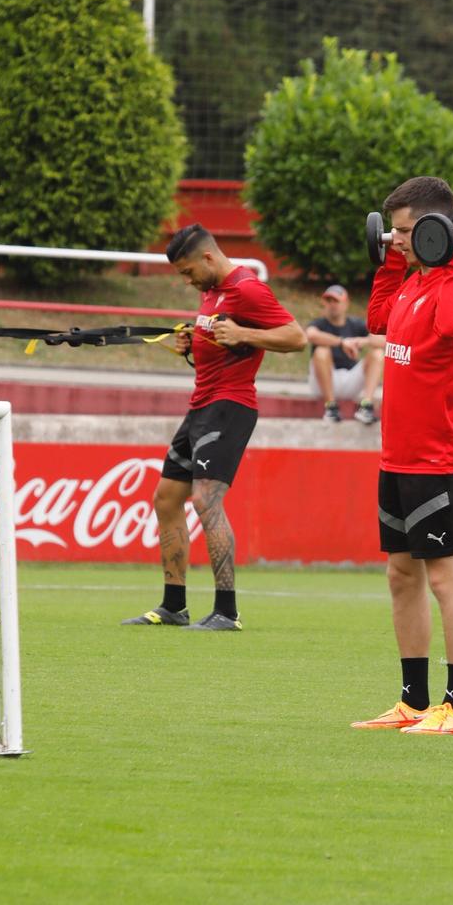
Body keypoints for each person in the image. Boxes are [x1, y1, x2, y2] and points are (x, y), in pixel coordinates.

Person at [352, 175, 453, 736]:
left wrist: (452, 256)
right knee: (400, 574)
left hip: (441, 458)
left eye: (407, 232)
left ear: (436, 230)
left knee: (445, 580)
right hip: (398, 457)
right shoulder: (410, 282)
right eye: (394, 231)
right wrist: (390, 262)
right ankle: (413, 700)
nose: (396, 239)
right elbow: (378, 320)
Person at [123, 223, 306, 632]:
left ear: (208, 257)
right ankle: (174, 606)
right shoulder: (211, 292)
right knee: (166, 498)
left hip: (231, 406)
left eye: (188, 272)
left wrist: (243, 333)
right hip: (201, 405)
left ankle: (227, 611)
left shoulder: (248, 287)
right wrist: (193, 342)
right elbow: (219, 338)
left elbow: (296, 337)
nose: (187, 281)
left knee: (206, 499)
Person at [303, 285, 385, 425]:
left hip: (350, 381)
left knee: (377, 353)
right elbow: (310, 335)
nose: (332, 305)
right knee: (321, 351)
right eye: (328, 301)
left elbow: (384, 339)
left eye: (336, 301)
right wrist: (341, 342)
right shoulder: (319, 323)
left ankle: (366, 406)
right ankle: (330, 407)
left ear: (346, 303)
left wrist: (363, 341)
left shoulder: (355, 324)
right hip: (324, 383)